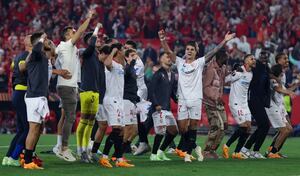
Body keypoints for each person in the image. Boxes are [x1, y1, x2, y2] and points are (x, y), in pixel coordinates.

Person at [158, 29, 235, 162]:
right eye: (187, 49)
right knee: (182, 129)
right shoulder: (179, 62)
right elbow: (168, 52)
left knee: (192, 127)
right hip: (182, 99)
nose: (189, 51)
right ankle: (195, 147)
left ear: (195, 52)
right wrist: (162, 39)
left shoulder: (199, 63)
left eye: (192, 49)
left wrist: (224, 41)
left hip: (196, 99)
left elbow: (214, 51)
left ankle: (188, 154)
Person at [54, 9, 95, 162]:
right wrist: (89, 17)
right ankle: (63, 148)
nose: (76, 33)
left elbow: (53, 61)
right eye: (73, 32)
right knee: (70, 117)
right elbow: (82, 30)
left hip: (69, 85)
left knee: (67, 116)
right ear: (68, 35)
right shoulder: (67, 45)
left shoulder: (65, 47)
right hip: (67, 86)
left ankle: (61, 146)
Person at [99, 43, 134, 168]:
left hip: (119, 101)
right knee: (117, 129)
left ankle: (119, 159)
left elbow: (127, 64)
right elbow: (106, 63)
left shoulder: (120, 65)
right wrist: (113, 51)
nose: (125, 50)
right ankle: (104, 157)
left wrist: (127, 55)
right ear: (118, 51)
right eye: (123, 49)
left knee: (121, 131)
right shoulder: (112, 63)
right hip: (111, 100)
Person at [2, 35, 32, 167]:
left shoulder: (18, 56)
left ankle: (7, 157)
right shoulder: (25, 56)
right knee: (27, 129)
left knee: (21, 129)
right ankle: (14, 156)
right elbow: (22, 67)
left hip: (17, 92)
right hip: (22, 93)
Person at [23, 32, 50, 169]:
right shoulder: (35, 54)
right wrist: (41, 38)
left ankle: (29, 157)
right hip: (35, 96)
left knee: (38, 129)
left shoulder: (42, 55)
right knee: (33, 129)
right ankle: (27, 161)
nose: (47, 41)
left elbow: (51, 51)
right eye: (45, 40)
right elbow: (36, 48)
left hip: (39, 95)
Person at [76, 23, 102, 162]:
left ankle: (86, 150)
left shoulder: (97, 56)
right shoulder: (87, 52)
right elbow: (92, 45)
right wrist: (96, 28)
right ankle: (80, 151)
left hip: (95, 92)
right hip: (86, 91)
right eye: (96, 39)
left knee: (90, 123)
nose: (98, 40)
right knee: (84, 121)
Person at [222, 54, 256, 159]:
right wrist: (233, 71)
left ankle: (236, 152)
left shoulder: (251, 74)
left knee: (249, 128)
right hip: (235, 103)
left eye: (254, 59)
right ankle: (226, 146)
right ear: (245, 61)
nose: (254, 60)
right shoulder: (238, 72)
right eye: (252, 59)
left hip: (244, 104)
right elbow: (225, 80)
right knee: (244, 126)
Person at [241, 50, 272, 159]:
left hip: (259, 100)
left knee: (263, 125)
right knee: (265, 125)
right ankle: (253, 150)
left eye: (266, 56)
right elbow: (244, 67)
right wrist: (238, 67)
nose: (263, 58)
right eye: (261, 56)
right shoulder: (256, 65)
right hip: (252, 99)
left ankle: (247, 149)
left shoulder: (266, 68)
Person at [149, 52, 178, 161]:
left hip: (167, 108)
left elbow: (171, 92)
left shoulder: (171, 74)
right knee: (161, 131)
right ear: (161, 59)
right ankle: (153, 154)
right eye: (167, 56)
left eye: (170, 56)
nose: (169, 58)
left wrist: (176, 99)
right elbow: (151, 91)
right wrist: (156, 104)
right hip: (159, 107)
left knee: (174, 131)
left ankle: (160, 152)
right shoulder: (158, 74)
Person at [202, 49, 229, 159]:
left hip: (219, 102)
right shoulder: (210, 69)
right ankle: (206, 150)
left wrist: (234, 72)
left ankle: (213, 150)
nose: (226, 60)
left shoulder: (222, 68)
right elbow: (206, 87)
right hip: (210, 102)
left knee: (225, 126)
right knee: (216, 126)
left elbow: (225, 80)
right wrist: (216, 97)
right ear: (218, 58)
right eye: (224, 58)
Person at [265, 64, 294, 158]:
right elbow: (278, 89)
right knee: (284, 130)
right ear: (279, 72)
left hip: (277, 107)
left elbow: (284, 89)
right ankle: (272, 152)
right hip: (271, 107)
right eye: (282, 71)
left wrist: (296, 85)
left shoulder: (278, 81)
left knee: (288, 129)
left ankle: (274, 151)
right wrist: (290, 92)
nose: (283, 73)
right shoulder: (273, 80)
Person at [90, 45, 110, 161]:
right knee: (91, 123)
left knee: (102, 125)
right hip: (95, 97)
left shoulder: (103, 65)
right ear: (102, 54)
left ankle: (93, 150)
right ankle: (86, 149)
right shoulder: (95, 64)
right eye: (106, 56)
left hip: (102, 99)